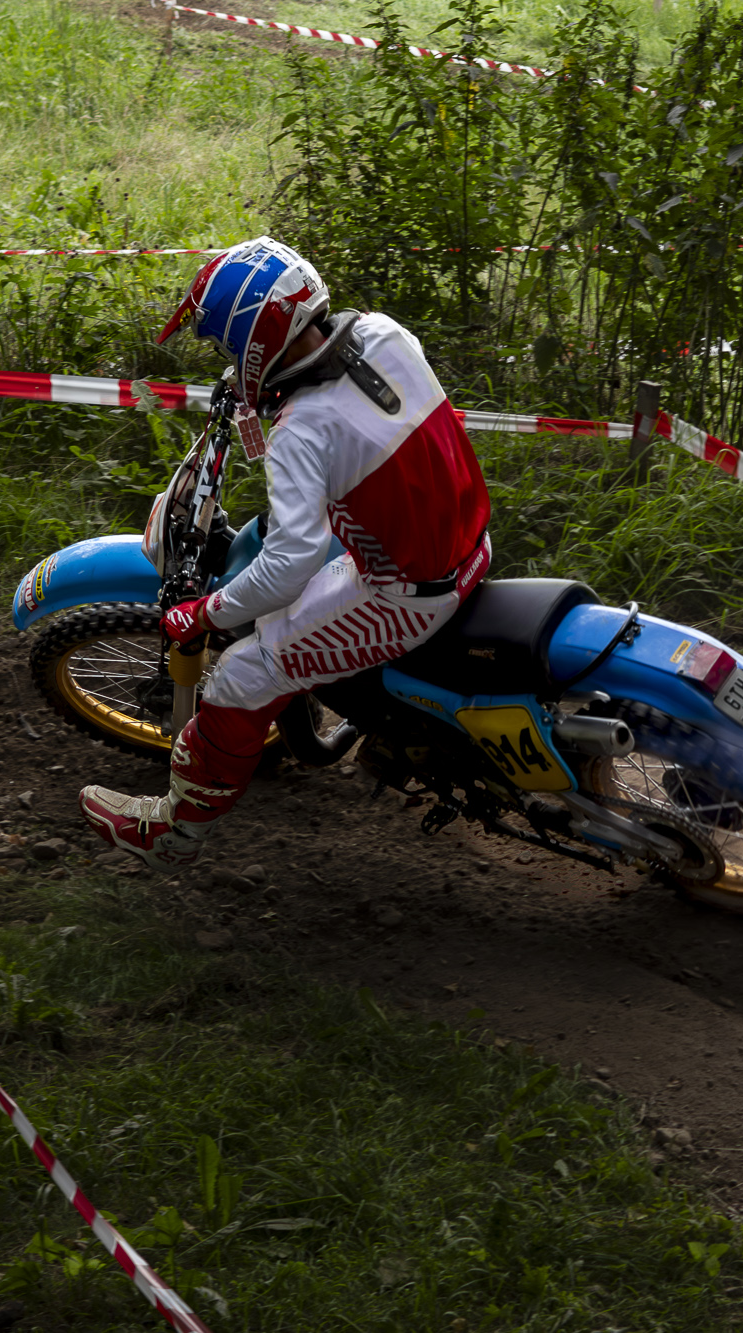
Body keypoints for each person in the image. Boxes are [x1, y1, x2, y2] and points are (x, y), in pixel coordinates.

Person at [80, 237, 492, 867]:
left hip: (406, 593)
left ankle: (172, 837)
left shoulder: (300, 429)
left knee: (243, 673)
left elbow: (289, 563)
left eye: (227, 349)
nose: (226, 361)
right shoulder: (383, 333)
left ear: (253, 343)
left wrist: (204, 613)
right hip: (467, 543)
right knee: (295, 608)